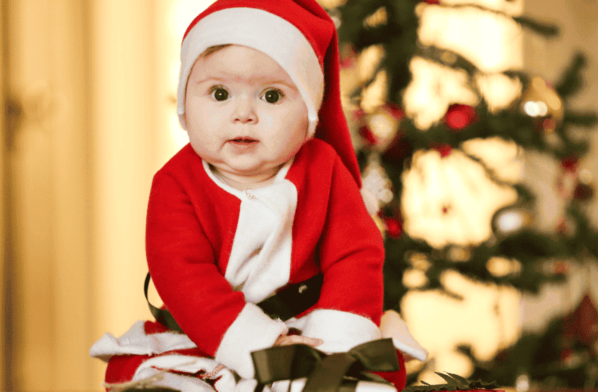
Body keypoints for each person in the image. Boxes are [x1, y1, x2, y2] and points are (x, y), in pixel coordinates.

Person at [90, 1, 426, 391]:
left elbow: (355, 254)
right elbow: (184, 277)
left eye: (271, 97)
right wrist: (257, 344)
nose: (243, 113)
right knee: (163, 378)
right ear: (184, 107)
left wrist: (337, 336)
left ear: (309, 115)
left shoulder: (324, 168)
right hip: (212, 335)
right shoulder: (175, 183)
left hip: (312, 325)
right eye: (219, 94)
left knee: (360, 383)